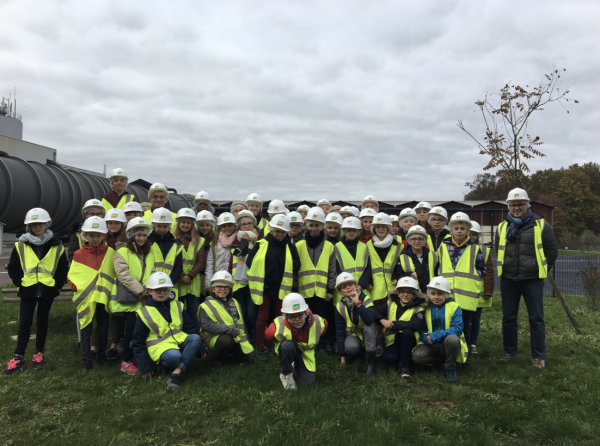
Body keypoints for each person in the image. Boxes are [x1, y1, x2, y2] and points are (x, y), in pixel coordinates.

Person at [495, 188, 558, 369]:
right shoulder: (502, 227)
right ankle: (509, 351)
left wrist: (542, 268)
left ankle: (538, 356)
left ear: (527, 205)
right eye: (513, 205)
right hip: (508, 279)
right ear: (508, 206)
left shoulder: (541, 225)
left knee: (536, 319)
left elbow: (552, 251)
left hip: (532, 279)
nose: (516, 208)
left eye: (520, 204)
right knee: (508, 318)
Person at [3, 208, 68, 376]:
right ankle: (18, 357)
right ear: (29, 227)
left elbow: (63, 269)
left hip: (47, 291)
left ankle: (38, 353)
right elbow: (13, 268)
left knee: (42, 322)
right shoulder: (20, 245)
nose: (37, 227)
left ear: (46, 224)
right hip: (28, 290)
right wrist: (20, 282)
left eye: (40, 224)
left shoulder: (57, 245)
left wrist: (56, 286)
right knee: (24, 323)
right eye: (34, 224)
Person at [133, 272, 206, 390]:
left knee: (195, 338)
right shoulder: (144, 313)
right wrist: (145, 367)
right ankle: (166, 366)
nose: (162, 293)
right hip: (161, 348)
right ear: (150, 291)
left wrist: (200, 348)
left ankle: (175, 373)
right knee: (174, 356)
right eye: (158, 290)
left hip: (179, 342)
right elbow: (137, 342)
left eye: (165, 290)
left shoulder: (177, 305)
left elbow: (191, 328)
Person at [246, 214, 300, 360]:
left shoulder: (290, 247)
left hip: (282, 288)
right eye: (277, 231)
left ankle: (279, 343)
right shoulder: (261, 244)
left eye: (283, 232)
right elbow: (249, 262)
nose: (280, 234)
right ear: (271, 230)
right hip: (263, 288)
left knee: (281, 317)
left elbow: (297, 265)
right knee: (262, 317)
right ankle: (260, 346)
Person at [68, 217, 116, 371]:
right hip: (86, 297)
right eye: (91, 235)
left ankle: (101, 356)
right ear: (85, 235)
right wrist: (74, 286)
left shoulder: (111, 253)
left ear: (104, 236)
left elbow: (114, 273)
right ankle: (86, 362)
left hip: (103, 297)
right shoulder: (78, 254)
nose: (95, 239)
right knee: (86, 328)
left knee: (103, 327)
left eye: (98, 235)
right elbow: (73, 275)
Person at [110, 217, 156, 375]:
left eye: (144, 235)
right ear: (131, 235)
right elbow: (123, 275)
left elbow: (153, 272)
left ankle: (136, 357)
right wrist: (140, 291)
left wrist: (151, 290)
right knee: (131, 330)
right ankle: (126, 361)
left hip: (143, 299)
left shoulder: (148, 253)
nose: (141, 238)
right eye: (138, 235)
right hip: (131, 299)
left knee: (141, 330)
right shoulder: (122, 252)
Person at [436, 212, 486, 354]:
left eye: (462, 229)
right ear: (451, 230)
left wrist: (475, 277)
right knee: (447, 323)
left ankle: (465, 353)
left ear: (468, 231)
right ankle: (448, 352)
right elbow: (436, 267)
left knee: (465, 325)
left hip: (466, 296)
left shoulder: (475, 249)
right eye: (456, 228)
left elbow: (482, 269)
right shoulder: (442, 247)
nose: (459, 231)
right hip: (447, 295)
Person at [294, 208, 336, 351]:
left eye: (317, 225)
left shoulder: (329, 246)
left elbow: (332, 270)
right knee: (303, 319)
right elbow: (294, 270)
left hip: (322, 291)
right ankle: (306, 343)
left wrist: (330, 289)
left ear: (322, 226)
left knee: (321, 319)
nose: (314, 229)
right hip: (303, 291)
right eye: (311, 225)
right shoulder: (299, 245)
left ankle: (322, 344)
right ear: (306, 226)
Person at [265, 293, 327, 389]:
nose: (297, 320)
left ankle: (297, 366)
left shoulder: (319, 323)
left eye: (299, 315)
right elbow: (268, 336)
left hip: (305, 355)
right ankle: (286, 373)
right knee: (287, 346)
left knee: (308, 383)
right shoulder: (278, 326)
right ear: (286, 317)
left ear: (306, 313)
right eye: (292, 316)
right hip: (288, 350)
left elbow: (324, 330)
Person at [413, 277, 468, 383]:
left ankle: (450, 367)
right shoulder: (425, 307)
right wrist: (426, 338)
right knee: (417, 356)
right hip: (431, 343)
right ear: (429, 294)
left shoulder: (454, 307)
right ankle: (439, 362)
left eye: (440, 294)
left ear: (446, 294)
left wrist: (436, 335)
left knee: (453, 340)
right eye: (433, 293)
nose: (436, 297)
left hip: (447, 342)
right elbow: (422, 328)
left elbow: (457, 329)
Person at [199, 271, 255, 371]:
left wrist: (246, 340)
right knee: (226, 340)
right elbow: (207, 326)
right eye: (219, 286)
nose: (222, 289)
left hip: (235, 336)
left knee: (249, 358)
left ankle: (229, 353)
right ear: (212, 289)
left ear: (229, 289)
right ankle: (218, 360)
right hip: (213, 338)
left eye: (226, 286)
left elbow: (241, 323)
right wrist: (229, 330)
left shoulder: (235, 302)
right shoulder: (206, 305)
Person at [365, 212, 403, 356]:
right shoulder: (368, 245)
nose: (380, 229)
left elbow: (401, 264)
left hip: (392, 288)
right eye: (378, 226)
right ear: (374, 228)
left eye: (383, 226)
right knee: (377, 318)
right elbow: (366, 266)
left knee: (392, 315)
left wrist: (397, 275)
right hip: (375, 287)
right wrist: (368, 280)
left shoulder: (397, 245)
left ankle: (391, 343)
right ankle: (379, 342)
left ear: (388, 228)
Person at [377, 276, 426, 377]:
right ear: (398, 294)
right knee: (389, 360)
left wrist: (392, 325)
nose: (405, 294)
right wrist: (382, 321)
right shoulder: (391, 304)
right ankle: (404, 357)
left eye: (409, 292)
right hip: (394, 340)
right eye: (402, 291)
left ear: (414, 295)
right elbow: (374, 311)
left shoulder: (419, 308)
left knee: (407, 331)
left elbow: (414, 325)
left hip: (410, 340)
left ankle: (405, 366)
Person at [334, 273, 376, 376]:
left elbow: (369, 319)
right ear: (340, 293)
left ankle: (371, 362)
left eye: (350, 284)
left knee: (369, 327)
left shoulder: (366, 299)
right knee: (350, 348)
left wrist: (358, 303)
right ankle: (360, 355)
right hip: (353, 335)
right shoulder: (339, 306)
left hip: (367, 334)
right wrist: (342, 357)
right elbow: (339, 331)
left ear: (356, 287)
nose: (348, 287)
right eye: (343, 286)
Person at [231, 210, 262, 341]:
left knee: (252, 313)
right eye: (243, 224)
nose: (247, 226)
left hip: (253, 282)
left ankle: (256, 338)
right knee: (242, 313)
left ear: (254, 225)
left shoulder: (261, 241)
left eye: (249, 223)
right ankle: (246, 337)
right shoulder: (235, 242)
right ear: (239, 227)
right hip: (238, 283)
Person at [104, 209, 128, 362]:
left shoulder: (126, 239)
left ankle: (115, 346)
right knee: (104, 314)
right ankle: (100, 344)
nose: (113, 225)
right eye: (110, 223)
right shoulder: (101, 238)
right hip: (104, 279)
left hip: (120, 280)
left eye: (116, 222)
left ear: (122, 224)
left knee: (119, 314)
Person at [174, 208, 203, 331]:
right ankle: (181, 336)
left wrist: (190, 276)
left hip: (192, 282)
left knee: (193, 312)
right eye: (183, 222)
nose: (185, 225)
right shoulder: (172, 239)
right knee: (178, 311)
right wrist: (181, 276)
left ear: (192, 224)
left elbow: (200, 261)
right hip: (178, 281)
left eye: (188, 222)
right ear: (178, 223)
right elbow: (172, 261)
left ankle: (195, 337)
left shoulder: (199, 240)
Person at [468, 221, 495, 355]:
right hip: (465, 291)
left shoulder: (484, 251)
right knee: (464, 319)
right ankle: (465, 342)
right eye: (469, 234)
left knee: (476, 319)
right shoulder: (461, 250)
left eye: (474, 234)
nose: (471, 236)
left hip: (479, 290)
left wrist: (488, 290)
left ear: (478, 236)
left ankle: (472, 344)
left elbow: (489, 271)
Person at [333, 216, 372, 305]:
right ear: (344, 231)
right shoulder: (336, 247)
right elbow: (335, 269)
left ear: (358, 231)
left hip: (360, 288)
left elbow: (368, 268)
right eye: (349, 230)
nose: (351, 233)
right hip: (343, 290)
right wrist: (346, 287)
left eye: (354, 230)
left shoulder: (364, 246)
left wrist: (361, 285)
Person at [148, 208, 183, 299]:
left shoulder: (176, 244)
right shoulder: (147, 243)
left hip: (170, 286)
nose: (162, 229)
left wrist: (168, 282)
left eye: (165, 226)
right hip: (151, 286)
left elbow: (178, 267)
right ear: (153, 226)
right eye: (159, 226)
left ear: (169, 227)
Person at [393, 225, 437, 293]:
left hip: (432, 294)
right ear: (409, 241)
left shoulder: (433, 255)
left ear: (424, 241)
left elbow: (438, 273)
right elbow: (398, 276)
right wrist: (411, 275)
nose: (417, 241)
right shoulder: (402, 257)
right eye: (414, 239)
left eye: (420, 239)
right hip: (414, 296)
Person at [205, 212, 237, 286]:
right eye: (224, 226)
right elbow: (210, 264)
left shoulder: (238, 241)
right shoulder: (215, 243)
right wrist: (208, 284)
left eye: (230, 225)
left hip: (234, 279)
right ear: (220, 228)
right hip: (219, 279)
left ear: (235, 226)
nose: (227, 228)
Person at [195, 210, 215, 302]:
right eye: (201, 225)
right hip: (198, 275)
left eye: (207, 225)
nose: (205, 228)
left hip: (212, 274)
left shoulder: (216, 240)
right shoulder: (194, 240)